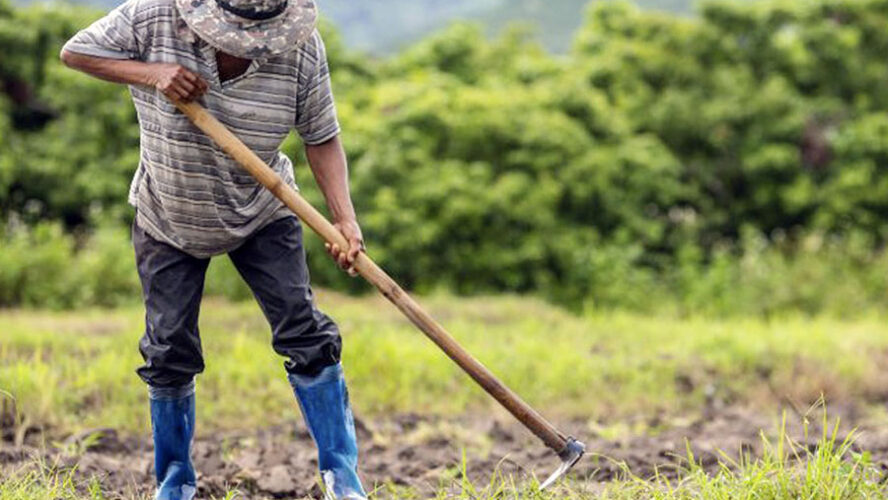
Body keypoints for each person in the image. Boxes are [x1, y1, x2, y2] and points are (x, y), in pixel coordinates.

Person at [60, 0, 367, 497]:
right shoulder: (153, 16)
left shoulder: (302, 49)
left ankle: (342, 478)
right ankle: (175, 481)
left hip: (262, 209)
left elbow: (322, 135)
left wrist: (344, 218)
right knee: (168, 348)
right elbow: (75, 53)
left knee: (304, 332)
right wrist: (152, 73)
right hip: (169, 214)